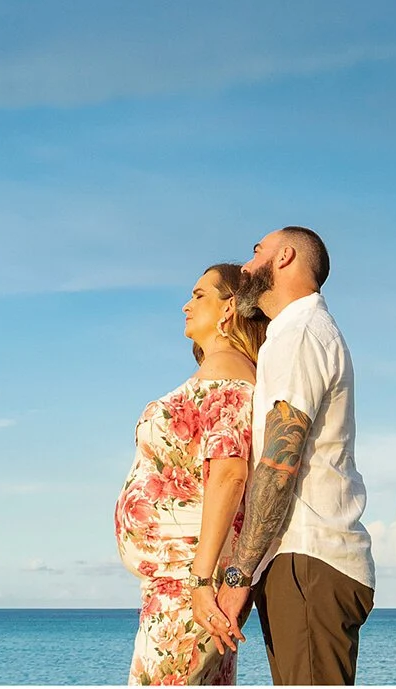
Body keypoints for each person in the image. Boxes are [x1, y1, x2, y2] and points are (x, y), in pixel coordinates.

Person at [199, 227, 375, 687]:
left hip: (308, 560)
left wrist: (237, 576)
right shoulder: (292, 333)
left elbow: (279, 464)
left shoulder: (299, 333)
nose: (246, 266)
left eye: (257, 252)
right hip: (301, 564)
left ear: (285, 257)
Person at [115, 263, 266, 686]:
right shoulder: (220, 370)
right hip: (181, 581)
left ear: (229, 308)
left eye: (200, 295)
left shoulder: (229, 372)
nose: (186, 305)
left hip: (190, 582)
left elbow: (230, 473)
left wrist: (201, 581)